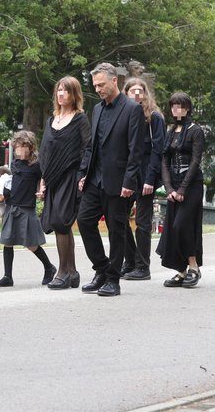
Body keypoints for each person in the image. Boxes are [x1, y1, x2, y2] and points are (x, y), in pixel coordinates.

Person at [76, 63, 144, 297]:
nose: (98, 89)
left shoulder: (132, 109)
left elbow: (136, 150)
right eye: (95, 85)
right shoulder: (96, 110)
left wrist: (129, 182)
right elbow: (91, 146)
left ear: (114, 81)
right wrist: (83, 174)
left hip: (119, 182)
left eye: (101, 84)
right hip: (95, 179)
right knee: (84, 221)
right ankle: (102, 269)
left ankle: (113, 279)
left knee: (117, 231)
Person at [39, 76, 91, 289]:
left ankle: (62, 272)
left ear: (74, 95)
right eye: (59, 90)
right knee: (61, 224)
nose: (61, 94)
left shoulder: (80, 119)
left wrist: (83, 174)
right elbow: (45, 151)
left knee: (61, 221)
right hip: (52, 178)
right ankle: (72, 272)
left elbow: (88, 148)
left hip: (71, 176)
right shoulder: (51, 120)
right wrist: (43, 177)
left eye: (66, 91)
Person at [0, 131, 56, 287]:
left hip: (27, 208)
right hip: (12, 207)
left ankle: (49, 267)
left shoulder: (36, 165)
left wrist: (43, 190)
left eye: (21, 146)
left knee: (31, 243)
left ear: (30, 147)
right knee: (7, 241)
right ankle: (8, 276)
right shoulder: (15, 164)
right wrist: (3, 194)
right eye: (16, 147)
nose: (17, 150)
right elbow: (15, 185)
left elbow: (45, 179)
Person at [155, 91, 204, 288]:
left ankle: (194, 268)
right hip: (173, 185)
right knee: (172, 229)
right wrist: (169, 188)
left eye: (180, 106)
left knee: (182, 225)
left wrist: (183, 188)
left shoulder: (195, 130)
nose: (176, 109)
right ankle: (181, 271)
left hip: (191, 185)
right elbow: (164, 161)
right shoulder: (170, 131)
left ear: (187, 108)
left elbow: (195, 161)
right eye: (173, 106)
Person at [121, 77, 165, 281]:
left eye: (140, 91)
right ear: (126, 93)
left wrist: (150, 179)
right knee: (118, 218)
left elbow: (158, 150)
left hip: (146, 175)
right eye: (132, 91)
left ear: (145, 94)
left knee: (142, 222)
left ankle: (142, 266)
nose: (136, 94)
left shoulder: (154, 118)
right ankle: (129, 260)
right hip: (126, 175)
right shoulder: (123, 115)